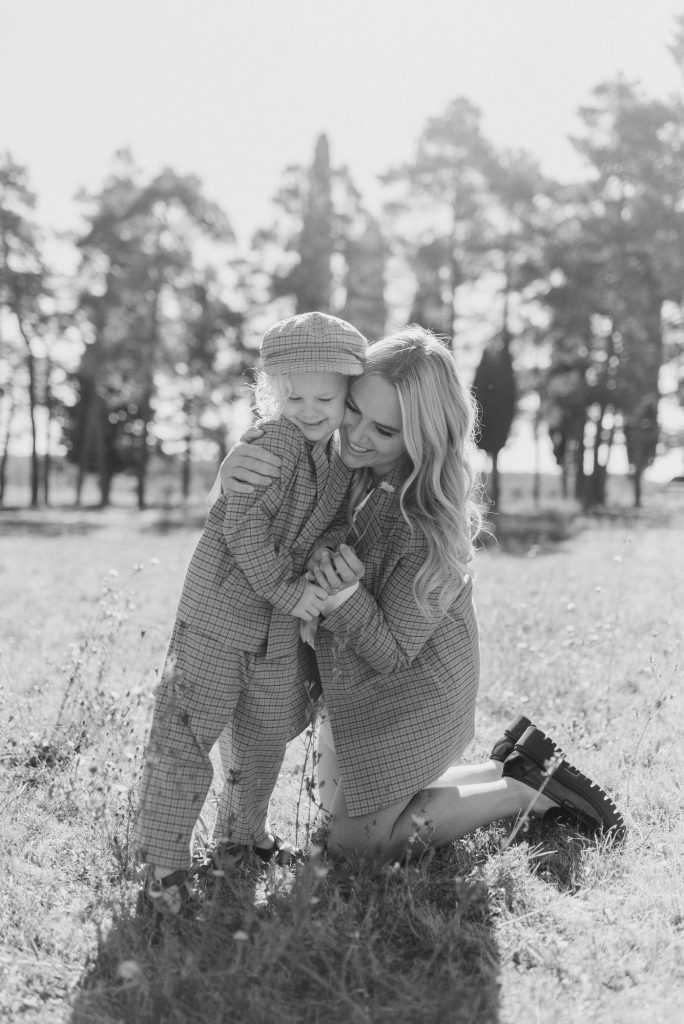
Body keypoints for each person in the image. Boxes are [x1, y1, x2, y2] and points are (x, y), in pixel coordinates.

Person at [218, 326, 625, 863]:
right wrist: (231, 474)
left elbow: (391, 652)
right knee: (332, 806)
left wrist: (343, 596)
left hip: (415, 695)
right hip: (352, 687)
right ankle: (505, 766)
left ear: (423, 436)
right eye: (354, 410)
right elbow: (273, 512)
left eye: (384, 430)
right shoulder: (343, 464)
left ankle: (521, 791)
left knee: (350, 845)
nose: (357, 435)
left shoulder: (429, 524)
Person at [133, 311, 367, 912]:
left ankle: (241, 838)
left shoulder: (340, 459)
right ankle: (163, 862)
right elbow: (241, 527)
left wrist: (325, 554)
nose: (309, 408)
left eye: (325, 396)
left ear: (347, 397)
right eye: (293, 395)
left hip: (276, 629)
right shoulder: (272, 444)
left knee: (264, 734)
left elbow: (332, 523)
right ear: (271, 389)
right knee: (187, 730)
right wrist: (293, 593)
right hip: (220, 613)